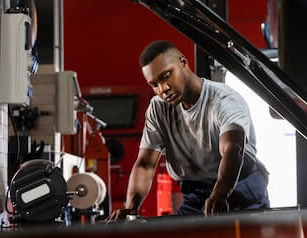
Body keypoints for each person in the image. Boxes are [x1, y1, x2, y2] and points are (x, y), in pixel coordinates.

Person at [108, 40, 269, 219]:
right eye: (154, 84)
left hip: (239, 189)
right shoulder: (159, 108)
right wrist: (131, 209)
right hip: (197, 194)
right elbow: (145, 164)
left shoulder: (223, 99)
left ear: (183, 63)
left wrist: (220, 194)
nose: (163, 89)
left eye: (166, 75)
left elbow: (233, 150)